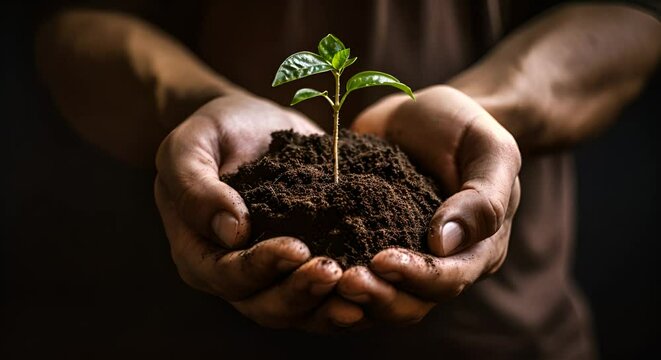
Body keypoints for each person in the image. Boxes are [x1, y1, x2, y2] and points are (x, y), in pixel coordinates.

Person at [35, 1, 660, 358]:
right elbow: (69, 23)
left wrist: (487, 108)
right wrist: (193, 104)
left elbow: (632, 18)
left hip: (502, 339)